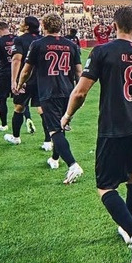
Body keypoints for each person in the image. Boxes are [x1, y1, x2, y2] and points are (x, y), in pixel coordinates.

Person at [62, 6, 132, 263]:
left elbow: (80, 92)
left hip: (114, 127)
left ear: (114, 25)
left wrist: (67, 115)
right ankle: (129, 227)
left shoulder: (102, 51)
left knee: (105, 188)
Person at [17, 13, 83, 180]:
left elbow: (26, 70)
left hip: (49, 91)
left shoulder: (38, 44)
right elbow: (78, 71)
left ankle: (73, 165)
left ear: (44, 26)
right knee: (60, 126)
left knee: (54, 130)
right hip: (68, 91)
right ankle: (54, 159)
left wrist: (19, 84)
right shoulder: (70, 45)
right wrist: (77, 90)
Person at [4, 16, 42, 146]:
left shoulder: (19, 39)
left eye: (22, 23)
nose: (20, 24)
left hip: (25, 79)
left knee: (19, 107)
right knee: (43, 109)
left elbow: (16, 60)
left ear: (27, 26)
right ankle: (48, 141)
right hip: (41, 79)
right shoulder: (42, 39)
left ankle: (16, 137)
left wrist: (14, 80)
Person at [0, 21, 16, 131]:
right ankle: (28, 119)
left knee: (3, 99)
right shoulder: (17, 39)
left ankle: (4, 124)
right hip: (17, 72)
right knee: (20, 100)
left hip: (5, 73)